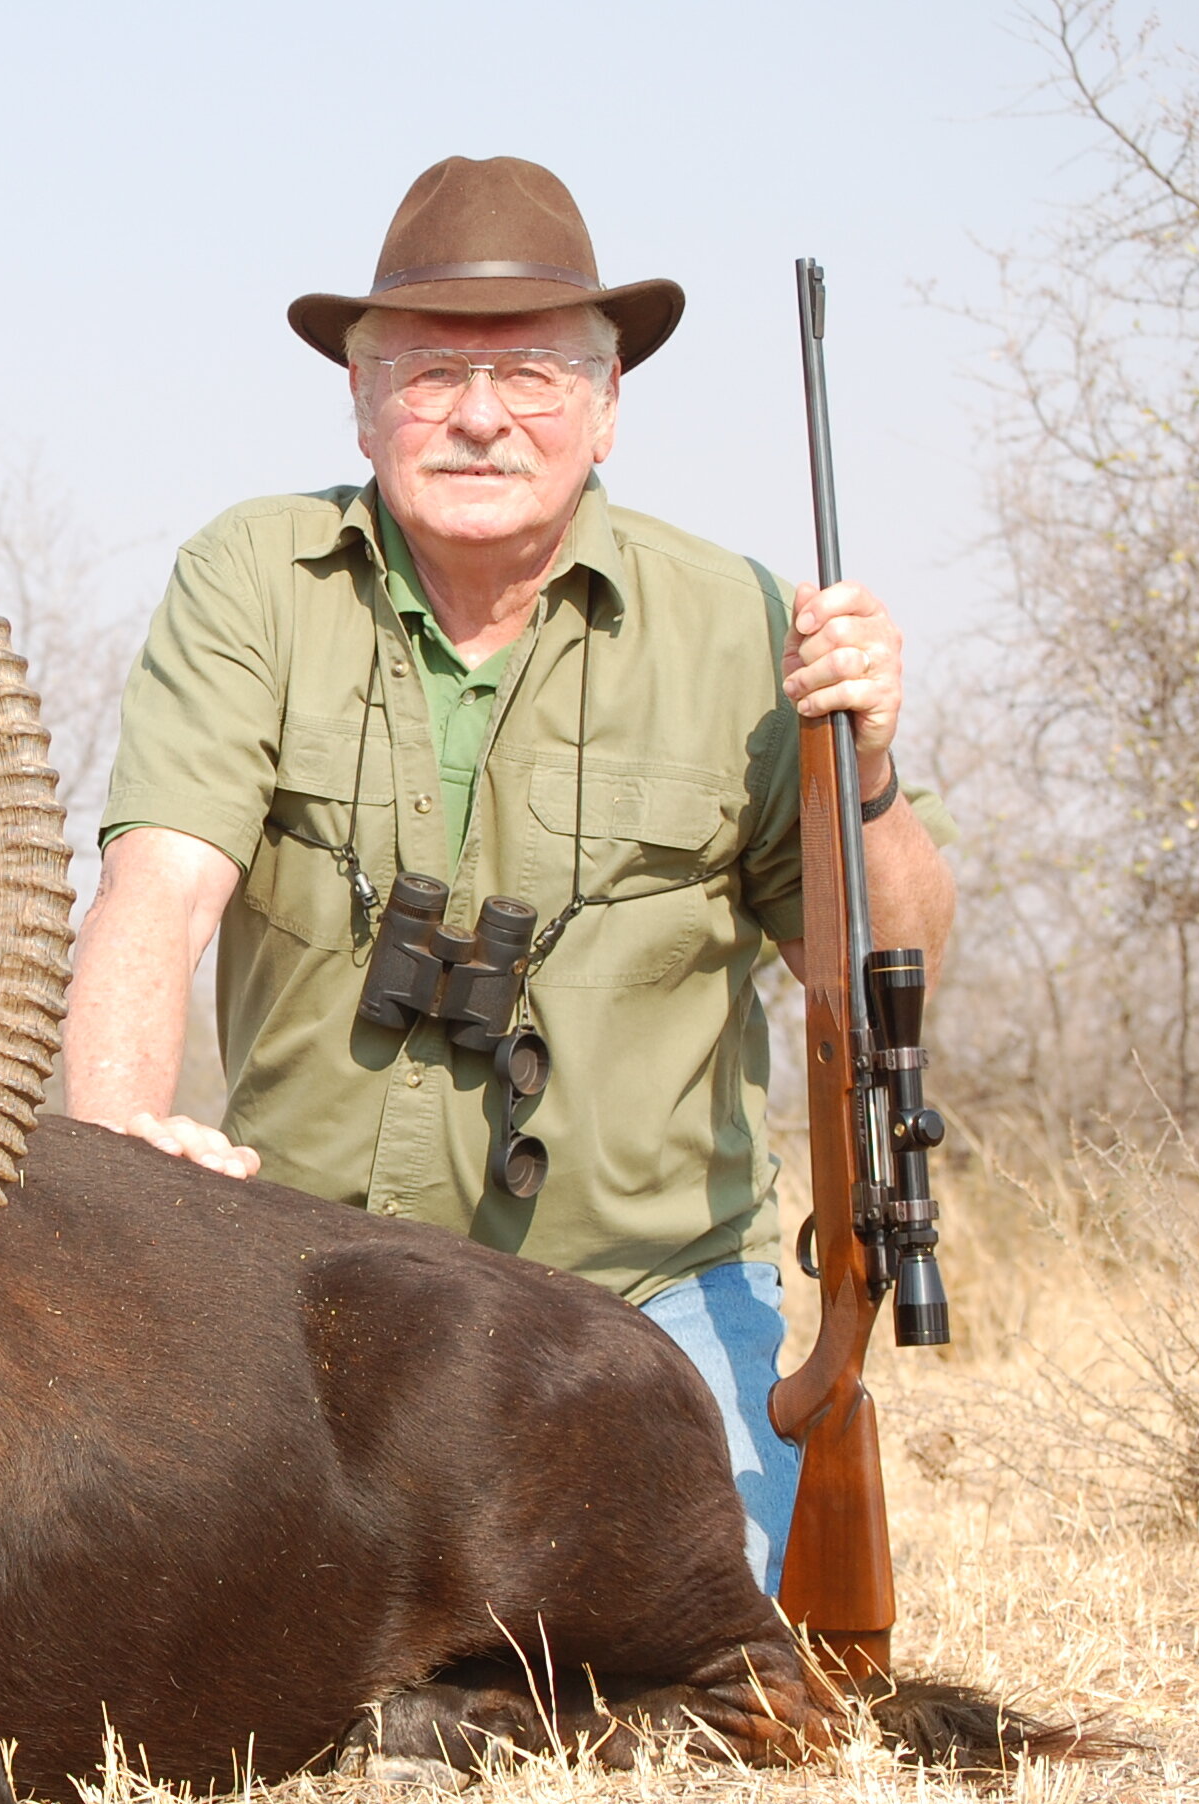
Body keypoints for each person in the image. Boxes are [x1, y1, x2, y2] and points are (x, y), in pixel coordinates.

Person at [64, 156, 956, 1592]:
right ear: (361, 401)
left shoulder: (739, 615)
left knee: (676, 1652)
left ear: (608, 407)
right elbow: (159, 891)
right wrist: (115, 1147)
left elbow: (880, 975)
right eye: (428, 376)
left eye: (534, 374)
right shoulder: (253, 577)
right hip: (317, 1289)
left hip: (646, 1296)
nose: (481, 418)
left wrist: (867, 774)